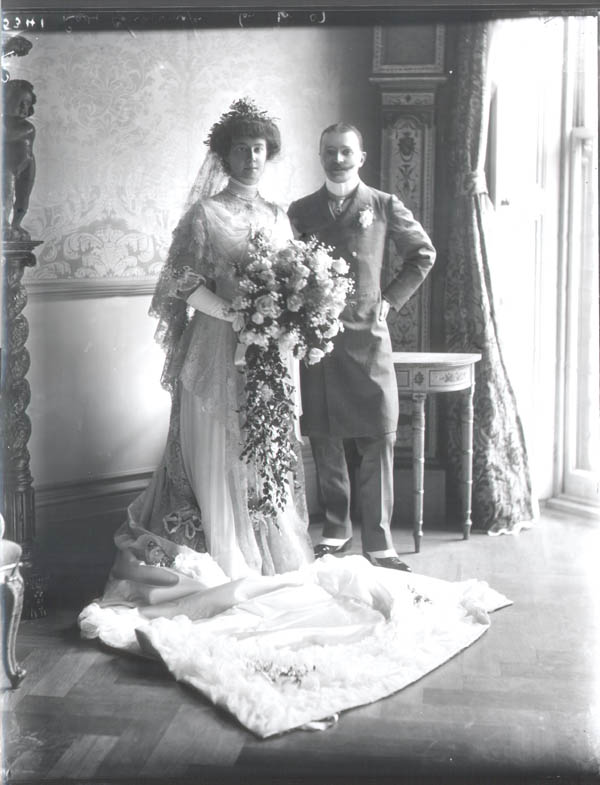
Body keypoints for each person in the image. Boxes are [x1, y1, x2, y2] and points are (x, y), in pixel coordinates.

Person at [108, 98, 313, 583]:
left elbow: (292, 280)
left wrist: (282, 318)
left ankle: (271, 553)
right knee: (218, 445)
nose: (251, 158)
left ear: (270, 154)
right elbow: (180, 280)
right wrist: (232, 313)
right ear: (224, 156)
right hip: (215, 347)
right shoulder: (205, 214)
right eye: (241, 149)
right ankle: (225, 555)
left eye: (259, 149)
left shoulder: (279, 216)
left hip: (267, 349)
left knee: (262, 446)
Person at [288, 122, 436, 571]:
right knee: (326, 437)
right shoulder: (301, 209)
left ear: (362, 155)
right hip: (320, 341)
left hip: (369, 338)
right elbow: (285, 261)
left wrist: (389, 300)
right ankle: (336, 530)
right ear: (320, 155)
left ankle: (379, 540)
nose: (337, 159)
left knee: (377, 435)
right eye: (329, 151)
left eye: (345, 151)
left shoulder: (384, 204)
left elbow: (422, 254)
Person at [2, 79, 36, 240]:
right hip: (8, 165)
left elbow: (9, 136)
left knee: (23, 198)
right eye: (19, 102)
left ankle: (16, 224)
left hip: (28, 163)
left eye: (27, 104)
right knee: (6, 195)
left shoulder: (27, 127)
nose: (24, 107)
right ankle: (4, 224)